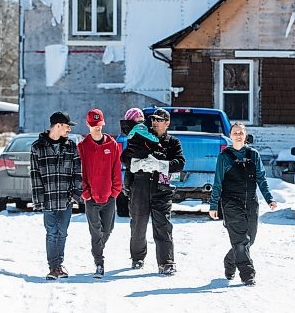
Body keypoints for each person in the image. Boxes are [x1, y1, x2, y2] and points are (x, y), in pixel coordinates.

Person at [209, 122, 277, 286]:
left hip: (251, 202)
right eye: (235, 132)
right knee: (240, 240)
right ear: (230, 136)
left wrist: (269, 198)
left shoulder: (253, 154)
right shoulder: (224, 156)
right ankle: (248, 274)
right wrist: (213, 205)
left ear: (245, 136)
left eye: (241, 132)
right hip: (231, 202)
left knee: (249, 240)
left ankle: (230, 260)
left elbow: (261, 178)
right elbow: (218, 182)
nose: (238, 135)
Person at [121, 108, 185, 275]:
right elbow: (125, 155)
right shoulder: (141, 135)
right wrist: (136, 163)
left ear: (167, 123)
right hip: (140, 187)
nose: (154, 122)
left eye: (159, 119)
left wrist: (161, 165)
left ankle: (166, 262)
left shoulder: (173, 143)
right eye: (153, 119)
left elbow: (179, 163)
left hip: (162, 189)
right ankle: (137, 258)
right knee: (138, 225)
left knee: (163, 226)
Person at [30, 111, 83, 280]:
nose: (69, 130)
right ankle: (53, 267)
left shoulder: (71, 146)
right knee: (51, 233)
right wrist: (39, 200)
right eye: (67, 126)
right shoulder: (37, 147)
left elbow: (77, 172)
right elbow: (35, 175)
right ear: (58, 126)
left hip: (66, 199)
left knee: (63, 232)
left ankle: (58, 264)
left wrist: (76, 194)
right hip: (48, 199)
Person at [77, 109, 122, 279]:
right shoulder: (82, 147)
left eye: (100, 125)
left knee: (108, 229)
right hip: (91, 197)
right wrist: (85, 192)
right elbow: (79, 171)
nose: (97, 128)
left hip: (109, 196)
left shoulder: (112, 145)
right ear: (88, 124)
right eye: (94, 125)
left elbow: (116, 169)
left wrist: (115, 191)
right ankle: (99, 262)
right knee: (95, 231)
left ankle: (97, 248)